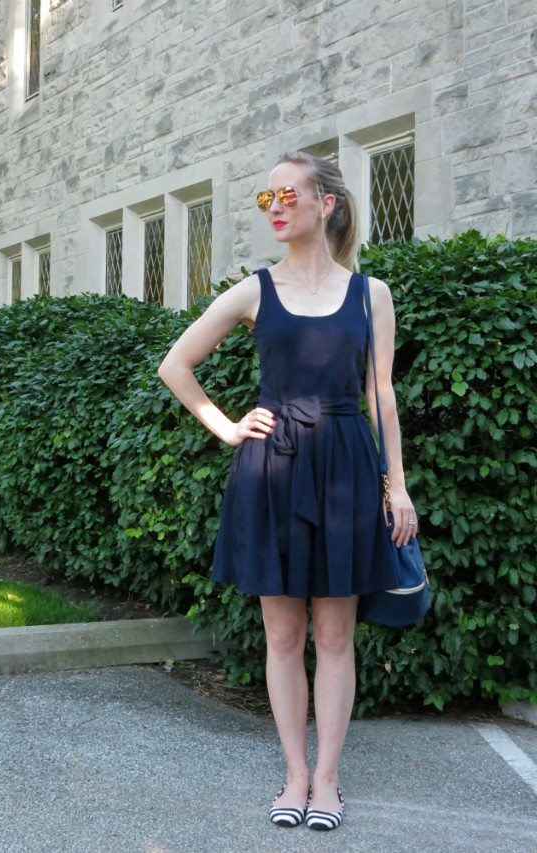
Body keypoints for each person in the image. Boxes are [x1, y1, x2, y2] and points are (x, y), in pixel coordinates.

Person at [157, 150, 417, 831]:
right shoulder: (253, 291)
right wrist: (225, 426)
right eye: (265, 196)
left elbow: (380, 394)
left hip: (345, 466)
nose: (274, 205)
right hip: (272, 464)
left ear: (324, 202)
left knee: (336, 634)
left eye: (286, 193)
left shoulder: (372, 294)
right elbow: (175, 364)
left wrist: (398, 486)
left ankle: (328, 781)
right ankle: (294, 775)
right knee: (283, 631)